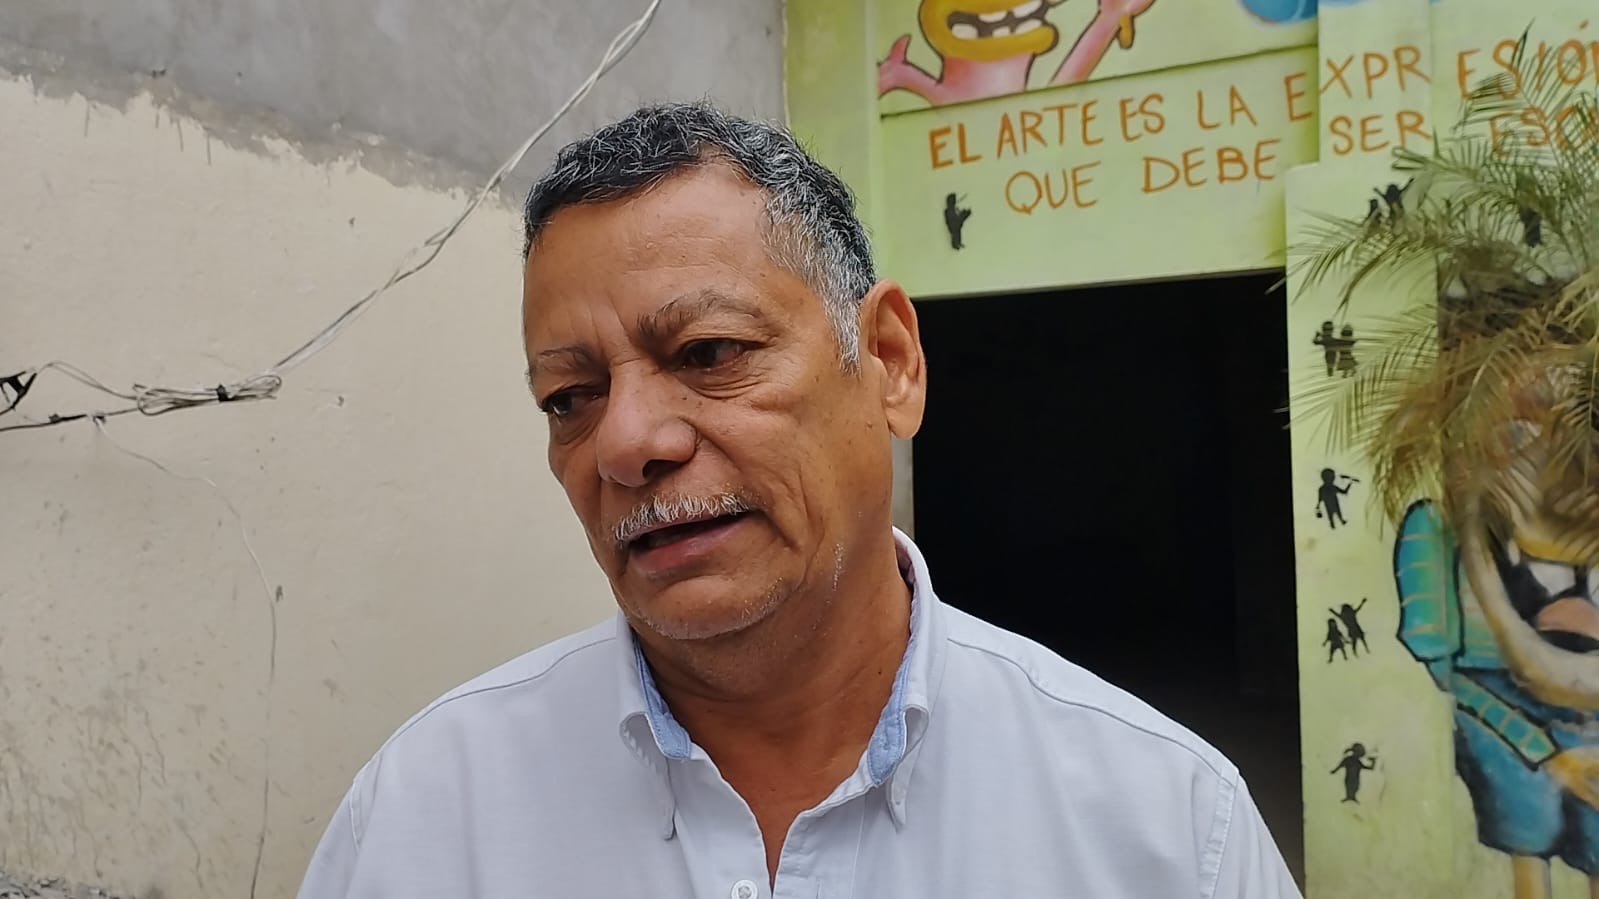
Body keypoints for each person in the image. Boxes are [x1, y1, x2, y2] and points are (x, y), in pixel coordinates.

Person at [298, 102, 1300, 898]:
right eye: (570, 397)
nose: (626, 442)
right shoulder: (423, 814)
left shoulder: (1167, 829)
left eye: (709, 353)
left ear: (890, 362)